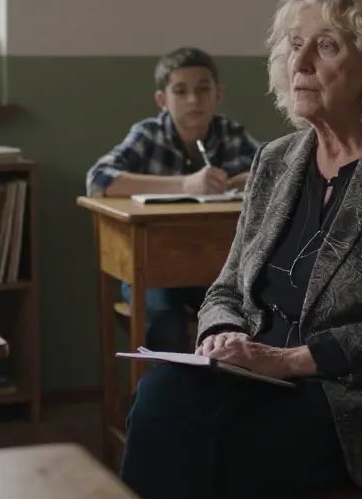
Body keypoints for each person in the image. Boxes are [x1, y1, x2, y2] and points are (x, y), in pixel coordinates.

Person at [118, 0, 362, 499]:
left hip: (359, 408)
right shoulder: (277, 160)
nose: (299, 60)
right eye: (293, 44)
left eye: (326, 45)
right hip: (256, 380)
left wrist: (290, 361)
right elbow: (226, 289)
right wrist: (222, 336)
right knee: (160, 395)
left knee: (179, 461)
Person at [85, 47, 260, 352]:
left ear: (218, 94)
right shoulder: (149, 135)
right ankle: (172, 394)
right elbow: (98, 179)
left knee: (250, 310)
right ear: (162, 101)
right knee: (164, 318)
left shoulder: (231, 134)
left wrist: (245, 179)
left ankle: (229, 395)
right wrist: (185, 184)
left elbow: (280, 170)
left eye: (203, 90)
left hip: (214, 267)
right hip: (152, 268)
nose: (193, 100)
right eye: (180, 91)